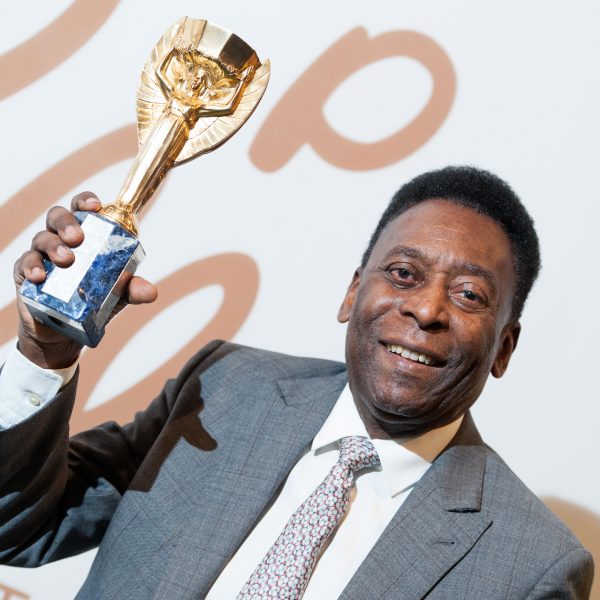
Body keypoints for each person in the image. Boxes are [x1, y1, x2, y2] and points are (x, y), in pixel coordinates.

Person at [0, 166, 594, 599]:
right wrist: (44, 352)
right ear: (352, 292)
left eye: (468, 294)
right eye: (403, 273)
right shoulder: (224, 388)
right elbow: (18, 530)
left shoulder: (532, 568)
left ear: (503, 348)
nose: (426, 309)